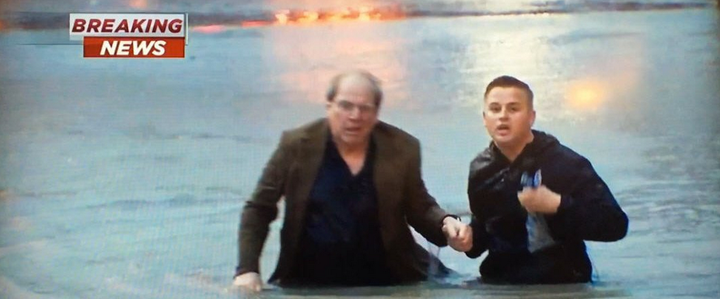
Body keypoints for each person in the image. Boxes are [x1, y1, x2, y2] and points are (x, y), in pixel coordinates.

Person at [233, 70, 472, 291]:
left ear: (376, 113)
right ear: (329, 106)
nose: (355, 116)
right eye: (345, 106)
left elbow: (419, 206)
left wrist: (446, 223)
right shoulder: (296, 146)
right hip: (311, 278)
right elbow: (259, 208)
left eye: (364, 108)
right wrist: (247, 270)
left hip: (389, 277)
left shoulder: (401, 147)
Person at [463, 75, 628, 284]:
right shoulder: (480, 169)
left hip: (562, 284)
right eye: (495, 109)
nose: (503, 117)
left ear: (531, 117)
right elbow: (481, 237)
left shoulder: (566, 164)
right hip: (499, 284)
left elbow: (616, 225)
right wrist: (465, 238)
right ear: (485, 119)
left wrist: (558, 204)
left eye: (513, 109)